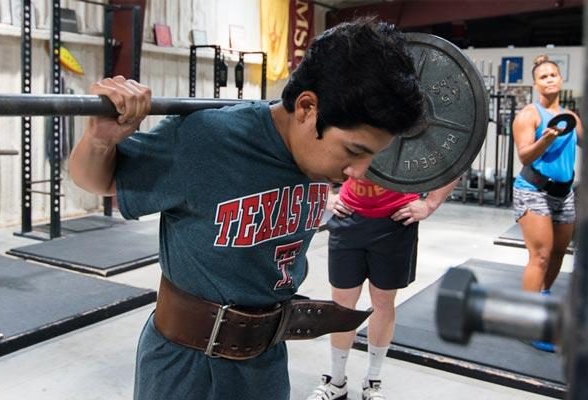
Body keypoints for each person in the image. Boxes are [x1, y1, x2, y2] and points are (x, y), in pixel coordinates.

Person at [68, 19, 424, 400]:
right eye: (354, 151)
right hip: (187, 366)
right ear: (307, 108)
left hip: (265, 364)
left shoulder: (317, 154)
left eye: (372, 155)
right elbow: (98, 180)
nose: (359, 171)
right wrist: (100, 138)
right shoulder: (208, 139)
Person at [307, 178, 458, 400]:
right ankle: (336, 380)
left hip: (395, 221)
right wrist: (325, 195)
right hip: (348, 216)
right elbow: (317, 149)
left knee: (382, 302)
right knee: (342, 306)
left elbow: (457, 156)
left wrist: (430, 203)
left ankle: (372, 382)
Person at [512, 55, 583, 352]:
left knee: (557, 254)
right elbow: (525, 156)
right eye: (544, 76)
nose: (550, 79)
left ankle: (541, 299)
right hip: (533, 190)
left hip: (564, 194)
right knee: (539, 256)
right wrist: (548, 138)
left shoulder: (572, 116)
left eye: (554, 75)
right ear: (536, 84)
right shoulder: (530, 115)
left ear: (561, 80)